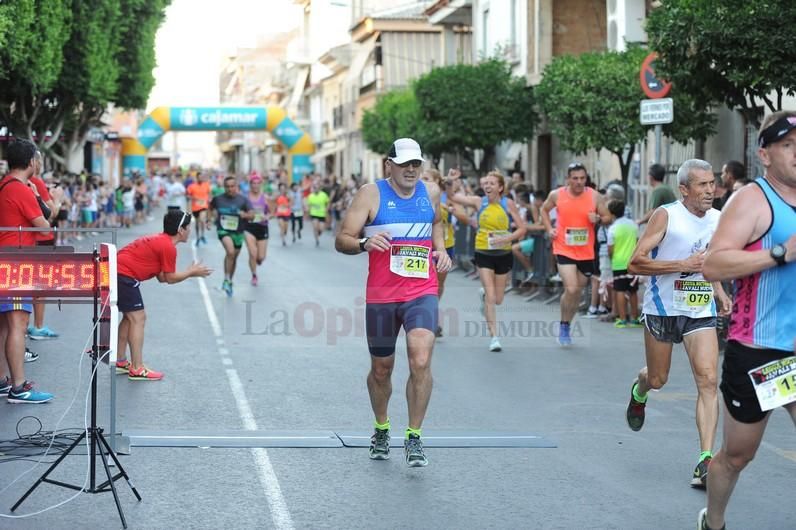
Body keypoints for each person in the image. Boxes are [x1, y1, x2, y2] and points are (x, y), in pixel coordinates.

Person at [697, 111, 796, 530]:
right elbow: (714, 265)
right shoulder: (752, 200)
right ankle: (714, 520)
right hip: (761, 351)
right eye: (789, 145)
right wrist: (778, 254)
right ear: (765, 154)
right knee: (738, 455)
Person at [335, 138, 452, 467]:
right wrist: (363, 242)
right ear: (390, 165)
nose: (412, 169)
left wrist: (440, 250)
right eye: (405, 164)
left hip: (421, 291)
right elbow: (342, 239)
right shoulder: (370, 194)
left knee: (421, 359)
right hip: (382, 296)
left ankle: (414, 436)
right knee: (381, 369)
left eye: (417, 163)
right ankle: (382, 427)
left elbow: (437, 222)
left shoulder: (430, 192)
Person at [625, 159, 732, 488]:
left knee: (709, 380)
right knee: (658, 378)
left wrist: (719, 292)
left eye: (712, 183)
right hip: (662, 307)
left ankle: (705, 460)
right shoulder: (667, 215)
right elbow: (636, 262)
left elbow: (707, 261)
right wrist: (680, 264)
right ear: (684, 189)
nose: (710, 190)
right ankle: (640, 389)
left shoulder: (718, 219)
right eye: (702, 185)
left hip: (699, 308)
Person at [114, 210, 212, 380]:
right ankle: (137, 368)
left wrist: (188, 272)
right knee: (138, 318)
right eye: (188, 227)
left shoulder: (161, 241)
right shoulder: (167, 247)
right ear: (181, 230)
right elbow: (170, 278)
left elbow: (161, 277)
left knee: (130, 318)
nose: (190, 231)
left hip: (117, 272)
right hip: (123, 274)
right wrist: (190, 272)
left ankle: (121, 360)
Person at [0, 139, 55, 403]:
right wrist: (40, 197)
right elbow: (44, 227)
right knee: (18, 324)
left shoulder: (4, 185)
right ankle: (19, 387)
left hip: (6, 259)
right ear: (32, 161)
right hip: (16, 263)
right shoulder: (20, 189)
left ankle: (3, 381)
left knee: (4, 326)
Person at [450, 169, 526, 352]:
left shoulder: (508, 204)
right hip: (483, 251)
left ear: (500, 187)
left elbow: (522, 229)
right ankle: (494, 337)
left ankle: (484, 296)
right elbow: (452, 196)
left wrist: (506, 239)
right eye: (485, 183)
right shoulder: (479, 202)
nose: (487, 186)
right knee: (492, 298)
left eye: (491, 183)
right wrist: (452, 181)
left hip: (503, 253)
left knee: (498, 299)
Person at [540, 162, 611, 346]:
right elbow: (543, 210)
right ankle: (563, 326)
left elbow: (608, 217)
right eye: (575, 178)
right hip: (563, 247)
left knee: (577, 292)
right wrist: (549, 229)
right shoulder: (556, 195)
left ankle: (567, 324)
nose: (579, 182)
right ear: (568, 179)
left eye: (582, 178)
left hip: (586, 251)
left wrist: (598, 219)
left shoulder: (595, 196)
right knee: (571, 288)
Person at [421, 168, 469, 337]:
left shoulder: (446, 197)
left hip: (446, 245)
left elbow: (464, 218)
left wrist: (451, 210)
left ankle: (432, 311)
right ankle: (430, 318)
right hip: (426, 245)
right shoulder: (418, 195)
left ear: (435, 181)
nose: (422, 180)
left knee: (438, 285)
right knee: (428, 283)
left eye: (426, 178)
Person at [28, 150, 61, 340]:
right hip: (42, 237)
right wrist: (57, 197)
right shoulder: (37, 183)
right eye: (40, 161)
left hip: (35, 238)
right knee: (40, 284)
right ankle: (38, 326)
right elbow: (52, 213)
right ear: (35, 162)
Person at [209, 176, 254, 297]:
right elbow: (210, 207)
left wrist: (245, 215)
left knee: (234, 258)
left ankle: (228, 281)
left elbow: (252, 215)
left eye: (232, 186)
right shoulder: (218, 199)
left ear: (236, 187)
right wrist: (209, 220)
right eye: (227, 187)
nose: (230, 189)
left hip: (238, 232)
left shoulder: (243, 200)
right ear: (224, 187)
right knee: (230, 251)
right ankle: (227, 278)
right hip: (223, 230)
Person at [606, 200, 641, 328]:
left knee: (619, 290)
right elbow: (637, 242)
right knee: (633, 290)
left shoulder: (613, 228)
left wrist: (612, 258)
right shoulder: (633, 225)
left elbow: (610, 249)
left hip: (618, 263)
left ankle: (622, 319)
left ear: (612, 214)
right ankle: (635, 318)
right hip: (633, 263)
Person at [244, 174, 270, 286]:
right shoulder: (245, 198)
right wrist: (246, 215)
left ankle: (258, 260)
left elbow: (271, 212)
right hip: (249, 227)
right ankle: (254, 275)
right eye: (253, 183)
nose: (255, 185)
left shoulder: (265, 197)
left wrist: (267, 216)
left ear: (260, 185)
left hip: (262, 226)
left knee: (261, 257)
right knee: (252, 253)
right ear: (250, 185)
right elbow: (240, 211)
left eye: (257, 183)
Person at [186, 172, 211, 245]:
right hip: (195, 208)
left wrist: (209, 199)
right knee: (197, 223)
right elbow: (187, 196)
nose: (201, 179)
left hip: (203, 206)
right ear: (197, 178)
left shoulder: (206, 185)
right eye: (199, 177)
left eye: (202, 177)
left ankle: (203, 235)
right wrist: (193, 198)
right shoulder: (191, 186)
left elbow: (210, 194)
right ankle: (198, 237)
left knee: (202, 220)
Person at [306, 182, 330, 247]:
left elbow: (328, 202)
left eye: (317, 188)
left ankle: (318, 233)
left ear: (319, 188)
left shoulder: (324, 195)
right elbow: (308, 205)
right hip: (313, 214)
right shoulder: (310, 196)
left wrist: (327, 209)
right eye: (314, 188)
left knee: (321, 229)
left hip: (322, 214)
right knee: (315, 227)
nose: (316, 189)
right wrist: (308, 212)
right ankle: (316, 240)